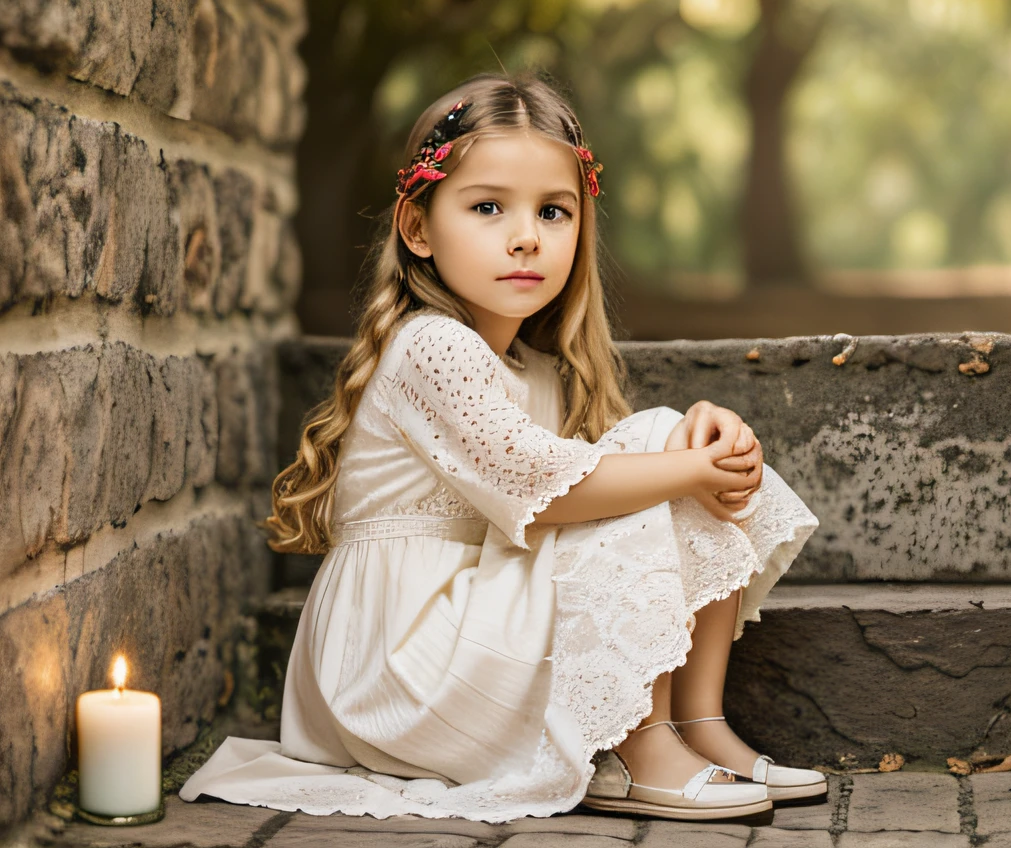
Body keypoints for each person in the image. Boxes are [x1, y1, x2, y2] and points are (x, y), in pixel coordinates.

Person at [178, 71, 822, 823]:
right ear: (417, 229)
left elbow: (610, 500)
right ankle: (640, 753)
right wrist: (682, 459)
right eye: (488, 207)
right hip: (398, 666)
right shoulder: (432, 348)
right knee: (661, 448)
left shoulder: (536, 372)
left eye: (554, 211)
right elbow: (552, 490)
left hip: (468, 632)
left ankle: (694, 726)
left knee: (669, 441)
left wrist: (697, 435)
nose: (526, 236)